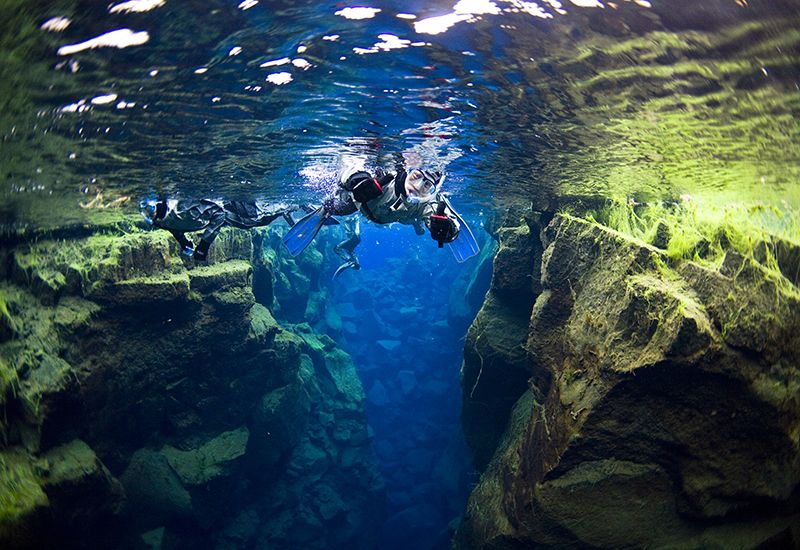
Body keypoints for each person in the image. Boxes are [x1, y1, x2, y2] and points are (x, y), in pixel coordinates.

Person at [283, 167, 480, 264]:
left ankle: (418, 224)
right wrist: (356, 180)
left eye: (427, 185)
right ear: (407, 171)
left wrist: (448, 230)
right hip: (362, 204)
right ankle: (312, 208)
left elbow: (444, 216)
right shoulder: (384, 177)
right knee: (337, 206)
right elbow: (352, 167)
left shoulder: (429, 202)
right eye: (416, 177)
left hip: (401, 216)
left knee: (420, 219)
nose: (418, 188)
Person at [141, 198, 295, 261]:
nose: (150, 215)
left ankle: (289, 206)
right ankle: (285, 209)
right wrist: (182, 241)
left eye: (152, 210)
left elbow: (219, 213)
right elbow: (172, 227)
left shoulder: (182, 208)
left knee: (253, 221)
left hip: (227, 207)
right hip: (211, 217)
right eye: (148, 214)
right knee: (254, 221)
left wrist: (204, 244)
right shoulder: (158, 221)